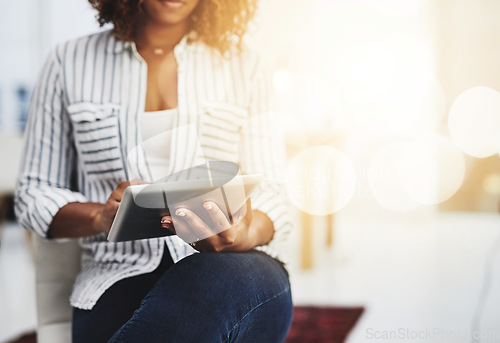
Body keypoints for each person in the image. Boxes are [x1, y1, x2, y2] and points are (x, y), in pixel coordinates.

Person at [15, 0, 293, 342]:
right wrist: (99, 218)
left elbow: (274, 193)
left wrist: (244, 232)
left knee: (205, 278)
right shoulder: (67, 62)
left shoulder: (245, 65)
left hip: (236, 272)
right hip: (114, 277)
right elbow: (34, 192)